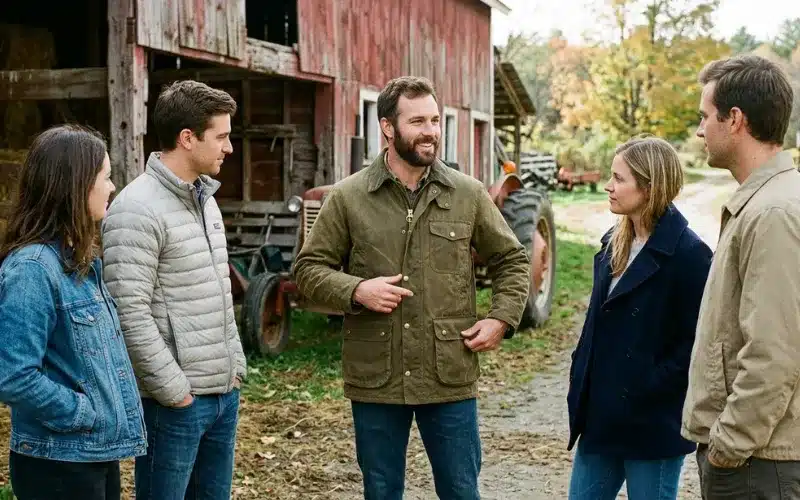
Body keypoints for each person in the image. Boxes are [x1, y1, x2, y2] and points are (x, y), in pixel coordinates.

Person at [292, 76, 530, 499]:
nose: (431, 132)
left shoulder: (468, 194)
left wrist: (501, 318)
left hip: (448, 372)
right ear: (388, 127)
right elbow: (308, 269)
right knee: (381, 491)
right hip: (377, 374)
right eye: (417, 121)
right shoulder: (349, 197)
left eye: (435, 120)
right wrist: (357, 289)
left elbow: (511, 259)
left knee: (460, 490)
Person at [100, 80, 247, 500]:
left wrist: (235, 368)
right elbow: (128, 312)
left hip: (222, 397)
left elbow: (219, 293)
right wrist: (174, 392)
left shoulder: (206, 200)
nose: (229, 148)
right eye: (221, 137)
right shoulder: (136, 208)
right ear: (187, 138)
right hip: (175, 405)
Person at [0, 124, 146, 499]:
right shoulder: (33, 269)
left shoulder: (80, 264)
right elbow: (13, 375)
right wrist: (83, 413)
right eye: (105, 177)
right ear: (75, 185)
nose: (112, 187)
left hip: (90, 453)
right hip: (58, 462)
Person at [565, 135, 713, 500]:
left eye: (618, 179)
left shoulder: (691, 255)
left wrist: (646, 386)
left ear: (648, 187)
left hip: (652, 423)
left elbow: (696, 345)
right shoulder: (612, 243)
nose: (608, 186)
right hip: (601, 418)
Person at [682, 54, 800, 498]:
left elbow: (774, 351)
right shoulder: (767, 202)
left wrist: (728, 446)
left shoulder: (773, 213)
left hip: (759, 463)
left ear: (734, 120)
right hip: (756, 458)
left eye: (704, 116)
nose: (699, 130)